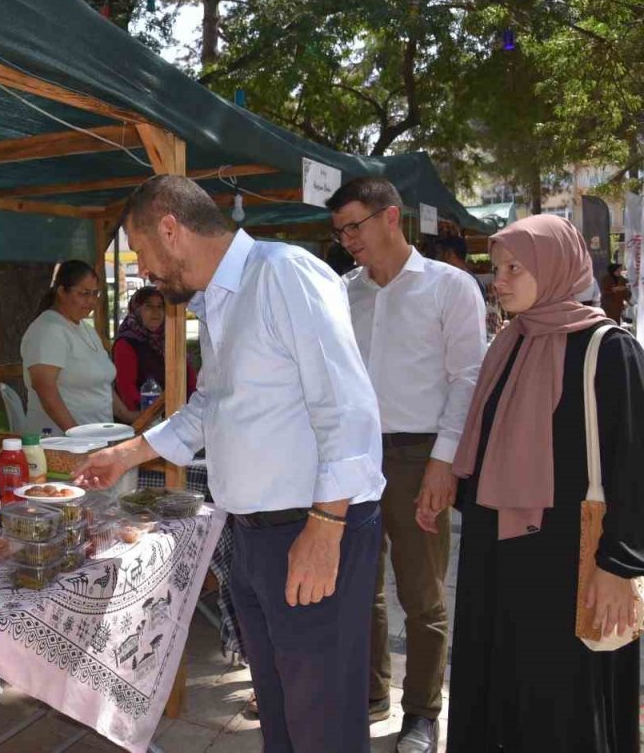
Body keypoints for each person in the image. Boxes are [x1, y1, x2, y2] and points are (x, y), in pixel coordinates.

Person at [77, 175, 385, 752]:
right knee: (280, 710)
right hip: (255, 535)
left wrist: (326, 526)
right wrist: (126, 453)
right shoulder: (218, 300)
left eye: (140, 250)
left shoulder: (284, 274)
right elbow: (212, 406)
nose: (142, 268)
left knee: (324, 722)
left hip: (313, 526)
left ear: (171, 228)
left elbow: (346, 406)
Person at [440, 215, 644, 751]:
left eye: (514, 268)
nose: (498, 280)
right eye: (496, 267)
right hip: (501, 561)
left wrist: (618, 566)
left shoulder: (608, 348)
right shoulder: (510, 345)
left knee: (563, 703)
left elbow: (634, 465)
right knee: (503, 691)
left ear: (555, 269)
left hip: (569, 563)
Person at [326, 178, 486, 751]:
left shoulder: (450, 287)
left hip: (421, 455)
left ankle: (422, 711)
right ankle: (370, 691)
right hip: (354, 454)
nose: (346, 239)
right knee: (357, 583)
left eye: (354, 226)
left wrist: (444, 464)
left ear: (390, 217)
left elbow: (468, 379)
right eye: (339, 230)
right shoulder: (344, 292)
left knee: (421, 593)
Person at [20, 259, 137, 434]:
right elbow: (45, 388)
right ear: (61, 292)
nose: (91, 301)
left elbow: (101, 384)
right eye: (83, 293)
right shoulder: (47, 329)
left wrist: (127, 415)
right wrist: (76, 434)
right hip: (60, 443)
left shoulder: (86, 329)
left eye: (95, 294)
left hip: (96, 439)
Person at [111, 285, 196, 412]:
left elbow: (189, 379)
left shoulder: (170, 339)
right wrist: (150, 416)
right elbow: (127, 391)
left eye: (160, 306)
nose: (155, 312)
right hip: (142, 418)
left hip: (178, 414)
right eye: (149, 306)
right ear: (137, 310)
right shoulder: (127, 343)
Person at [435, 235, 487, 301]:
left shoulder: (462, 282)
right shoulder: (472, 281)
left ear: (449, 254)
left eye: (439, 253)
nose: (438, 259)